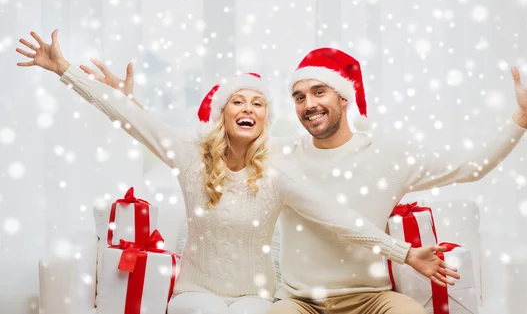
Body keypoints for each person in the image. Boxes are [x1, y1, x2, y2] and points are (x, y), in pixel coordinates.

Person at [15, 31, 459, 314]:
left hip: (255, 298)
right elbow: (134, 121)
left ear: (266, 118)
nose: (247, 108)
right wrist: (65, 70)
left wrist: (402, 253)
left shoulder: (279, 171)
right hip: (196, 293)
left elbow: (336, 217)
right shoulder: (189, 155)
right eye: (238, 101)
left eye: (258, 102)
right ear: (221, 112)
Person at [263, 48, 527, 314]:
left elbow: (472, 167)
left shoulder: (386, 157)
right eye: (299, 97)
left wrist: (522, 118)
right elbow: (225, 147)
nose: (308, 104)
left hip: (370, 299)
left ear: (343, 98)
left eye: (319, 92)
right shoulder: (281, 154)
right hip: (299, 302)